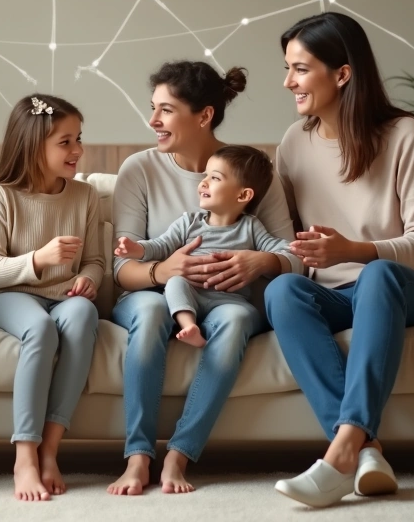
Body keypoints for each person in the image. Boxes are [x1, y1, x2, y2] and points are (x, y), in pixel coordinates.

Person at [264, 12, 414, 508]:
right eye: (288, 68)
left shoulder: (403, 134)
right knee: (282, 291)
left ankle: (338, 457)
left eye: (301, 68)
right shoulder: (294, 143)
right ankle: (365, 449)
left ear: (342, 73)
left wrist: (353, 250)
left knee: (376, 275)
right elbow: (287, 242)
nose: (288, 81)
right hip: (337, 292)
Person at [105, 62, 300, 495]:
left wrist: (259, 263)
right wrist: (164, 269)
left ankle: (180, 454)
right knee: (155, 309)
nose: (153, 121)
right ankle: (138, 457)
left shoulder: (250, 172)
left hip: (228, 300)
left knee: (232, 325)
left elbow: (292, 258)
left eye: (166, 110)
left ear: (204, 115)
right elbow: (123, 269)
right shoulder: (139, 169)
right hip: (152, 293)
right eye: (152, 108)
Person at [0, 94, 103, 502]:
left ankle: (51, 450)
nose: (78, 150)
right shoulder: (2, 196)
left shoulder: (85, 196)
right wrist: (38, 259)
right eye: (65, 142)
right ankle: (24, 457)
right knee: (40, 328)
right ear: (34, 144)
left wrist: (87, 279)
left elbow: (97, 260)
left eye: (78, 139)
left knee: (83, 316)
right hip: (8, 294)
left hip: (64, 296)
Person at [114, 145, 292, 348]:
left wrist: (264, 260)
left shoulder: (251, 227)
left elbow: (283, 249)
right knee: (175, 283)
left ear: (243, 196)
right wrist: (137, 249)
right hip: (191, 293)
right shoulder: (188, 222)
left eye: (214, 178)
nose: (203, 183)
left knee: (240, 316)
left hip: (229, 300)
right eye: (205, 176)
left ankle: (200, 327)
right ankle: (188, 326)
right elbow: (162, 245)